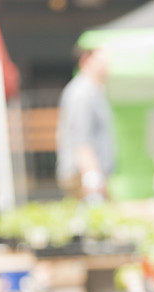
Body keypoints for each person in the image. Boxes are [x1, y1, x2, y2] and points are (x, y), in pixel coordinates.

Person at [55, 47, 116, 202]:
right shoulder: (82, 93)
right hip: (82, 174)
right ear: (86, 61)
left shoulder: (95, 91)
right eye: (101, 61)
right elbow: (80, 136)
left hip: (92, 170)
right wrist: (91, 175)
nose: (106, 67)